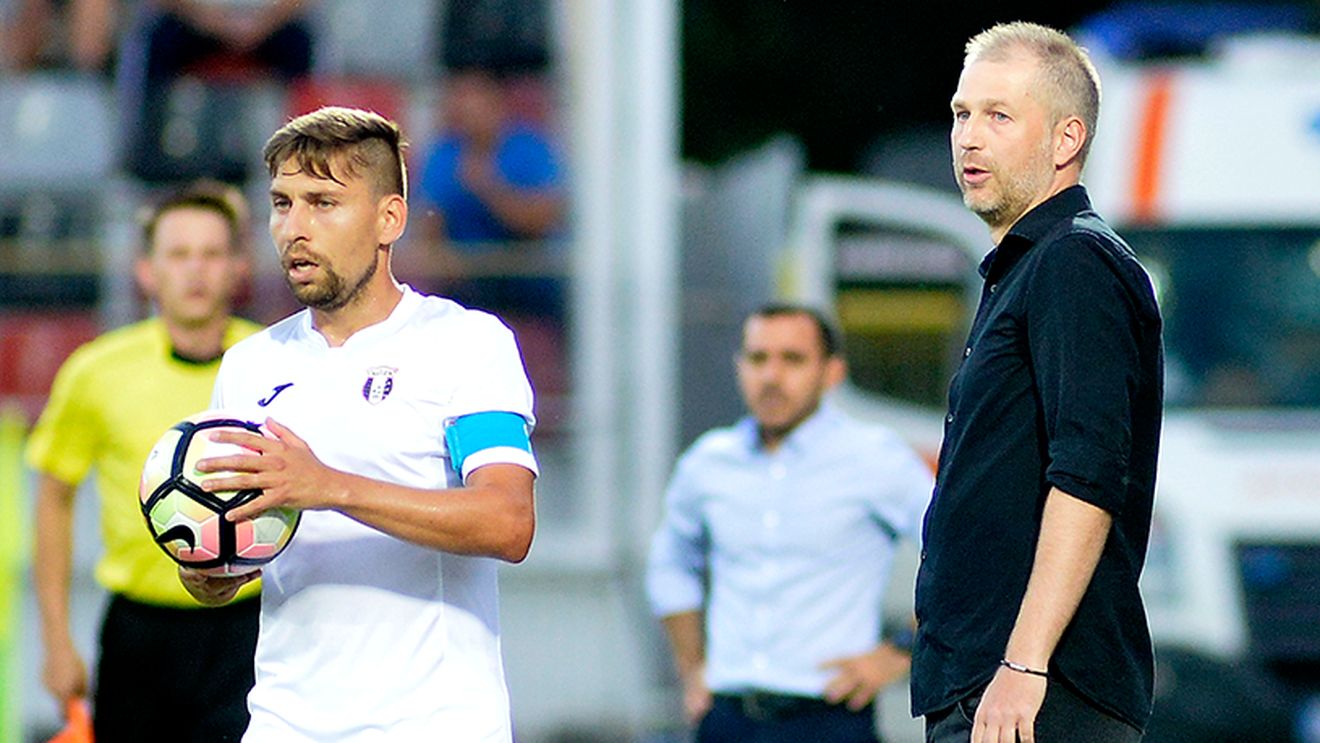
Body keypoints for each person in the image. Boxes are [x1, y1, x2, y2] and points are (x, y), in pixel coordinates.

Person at [179, 106, 538, 741]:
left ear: (388, 219)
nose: (295, 228)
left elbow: (507, 522)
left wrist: (328, 486)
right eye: (283, 203)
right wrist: (211, 569)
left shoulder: (465, 344)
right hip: (284, 723)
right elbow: (248, 558)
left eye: (323, 202)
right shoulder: (249, 365)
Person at [911, 22, 1163, 743]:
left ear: (1066, 140)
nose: (968, 137)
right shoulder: (1027, 267)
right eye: (962, 113)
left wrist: (1023, 662)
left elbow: (1088, 474)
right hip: (994, 686)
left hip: (1036, 691)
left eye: (999, 115)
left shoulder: (1072, 264)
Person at [25, 181, 262, 741]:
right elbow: (54, 499)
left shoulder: (273, 367)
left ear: (238, 268)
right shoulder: (96, 371)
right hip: (140, 631)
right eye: (179, 254)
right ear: (146, 271)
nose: (196, 271)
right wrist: (57, 642)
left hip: (251, 628)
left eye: (212, 254)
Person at [646, 303, 935, 743]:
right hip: (727, 716)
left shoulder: (873, 458)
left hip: (828, 717)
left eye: (793, 359)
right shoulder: (709, 462)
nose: (772, 376)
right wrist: (691, 666)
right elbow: (669, 563)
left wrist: (900, 653)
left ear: (832, 372)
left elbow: (961, 555)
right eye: (758, 359)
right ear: (739, 366)